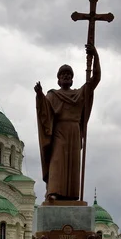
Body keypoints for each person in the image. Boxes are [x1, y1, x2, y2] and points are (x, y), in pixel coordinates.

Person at [35, 43, 101, 201]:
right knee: (57, 161)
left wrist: (95, 55)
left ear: (72, 79)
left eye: (68, 74)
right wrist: (39, 95)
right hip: (59, 131)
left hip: (74, 132)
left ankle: (71, 195)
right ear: (58, 80)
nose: (65, 76)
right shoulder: (53, 95)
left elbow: (96, 78)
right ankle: (53, 192)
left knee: (72, 164)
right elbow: (45, 113)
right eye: (62, 74)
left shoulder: (80, 94)